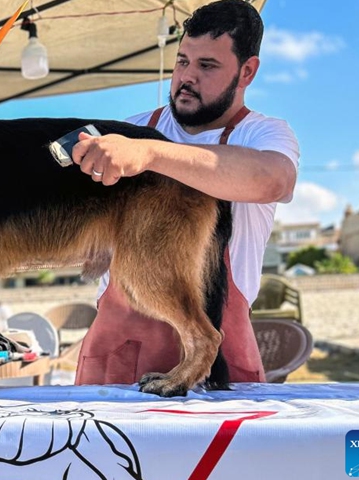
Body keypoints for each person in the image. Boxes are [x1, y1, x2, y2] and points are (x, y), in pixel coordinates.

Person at [71, 0, 299, 386]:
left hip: (221, 354)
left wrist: (149, 152)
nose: (186, 77)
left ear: (247, 71)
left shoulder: (263, 134)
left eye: (207, 66)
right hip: (120, 346)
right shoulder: (131, 127)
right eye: (182, 62)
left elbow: (272, 180)